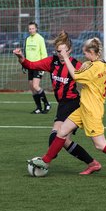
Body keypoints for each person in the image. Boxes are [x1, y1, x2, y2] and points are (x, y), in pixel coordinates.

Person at [28, 37, 106, 179]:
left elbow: (75, 76)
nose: (84, 56)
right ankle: (45, 161)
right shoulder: (102, 65)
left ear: (93, 52)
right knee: (62, 132)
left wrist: (66, 58)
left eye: (86, 53)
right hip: (83, 107)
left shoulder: (93, 68)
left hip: (92, 111)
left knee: (100, 145)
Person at [14, 31, 101, 175]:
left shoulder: (76, 65)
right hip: (62, 104)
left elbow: (91, 79)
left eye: (63, 51)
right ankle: (93, 163)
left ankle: (46, 160)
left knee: (56, 135)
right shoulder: (52, 62)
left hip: (73, 103)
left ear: (70, 50)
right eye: (58, 51)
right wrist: (21, 58)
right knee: (65, 141)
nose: (60, 54)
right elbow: (31, 65)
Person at [24, 21, 51, 114]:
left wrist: (44, 66)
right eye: (29, 29)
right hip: (30, 66)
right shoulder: (27, 39)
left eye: (32, 28)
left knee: (36, 86)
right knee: (32, 88)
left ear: (36, 29)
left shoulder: (40, 39)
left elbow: (44, 53)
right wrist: (24, 65)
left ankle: (47, 104)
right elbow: (26, 53)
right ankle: (38, 108)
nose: (31, 30)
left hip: (38, 66)